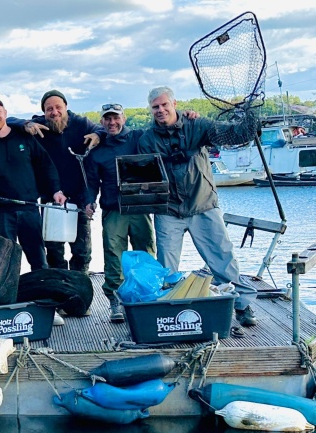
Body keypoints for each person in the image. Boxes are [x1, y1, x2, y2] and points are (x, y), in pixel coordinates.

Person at [138, 86, 258, 327]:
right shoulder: (146, 139)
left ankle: (242, 304)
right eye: (155, 107)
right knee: (166, 266)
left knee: (223, 258)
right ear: (150, 110)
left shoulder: (198, 125)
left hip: (203, 205)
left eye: (164, 105)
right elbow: (145, 177)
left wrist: (250, 119)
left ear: (174, 104)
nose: (160, 110)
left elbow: (232, 135)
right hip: (169, 211)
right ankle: (167, 310)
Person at [0, 98, 67, 326]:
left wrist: (56, 190)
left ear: (5, 113)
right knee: (3, 264)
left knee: (39, 260)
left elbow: (46, 165)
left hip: (29, 209)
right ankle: (6, 309)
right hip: (1, 212)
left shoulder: (25, 138)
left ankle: (47, 308)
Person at [7, 90, 107, 273]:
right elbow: (8, 121)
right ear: (44, 112)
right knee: (53, 251)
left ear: (66, 107)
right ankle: (59, 288)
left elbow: (102, 129)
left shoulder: (81, 124)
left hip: (79, 196)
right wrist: (26, 124)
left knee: (82, 251)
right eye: (49, 109)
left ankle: (80, 284)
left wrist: (98, 135)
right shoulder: (39, 125)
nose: (54, 112)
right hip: (50, 197)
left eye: (58, 107)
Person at [84, 103, 156, 323]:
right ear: (102, 121)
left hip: (140, 207)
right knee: (114, 255)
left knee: (145, 252)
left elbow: (162, 128)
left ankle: (147, 297)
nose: (112, 123)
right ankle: (115, 300)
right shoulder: (97, 150)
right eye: (107, 119)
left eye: (116, 118)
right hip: (113, 209)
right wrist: (89, 201)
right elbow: (91, 182)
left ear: (123, 118)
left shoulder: (138, 137)